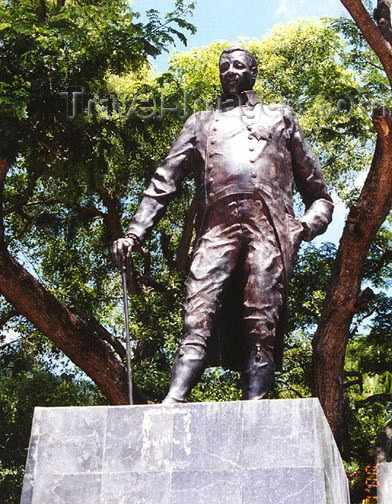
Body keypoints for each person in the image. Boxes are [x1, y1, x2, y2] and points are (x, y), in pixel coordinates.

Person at [113, 47, 334, 404]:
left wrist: (304, 227)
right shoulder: (199, 123)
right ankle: (174, 399)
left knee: (261, 320)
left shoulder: (281, 117)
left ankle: (255, 406)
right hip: (216, 230)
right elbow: (163, 181)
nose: (230, 70)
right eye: (224, 66)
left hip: (270, 231)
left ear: (254, 72)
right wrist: (135, 233)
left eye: (238, 65)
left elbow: (320, 195)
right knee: (196, 312)